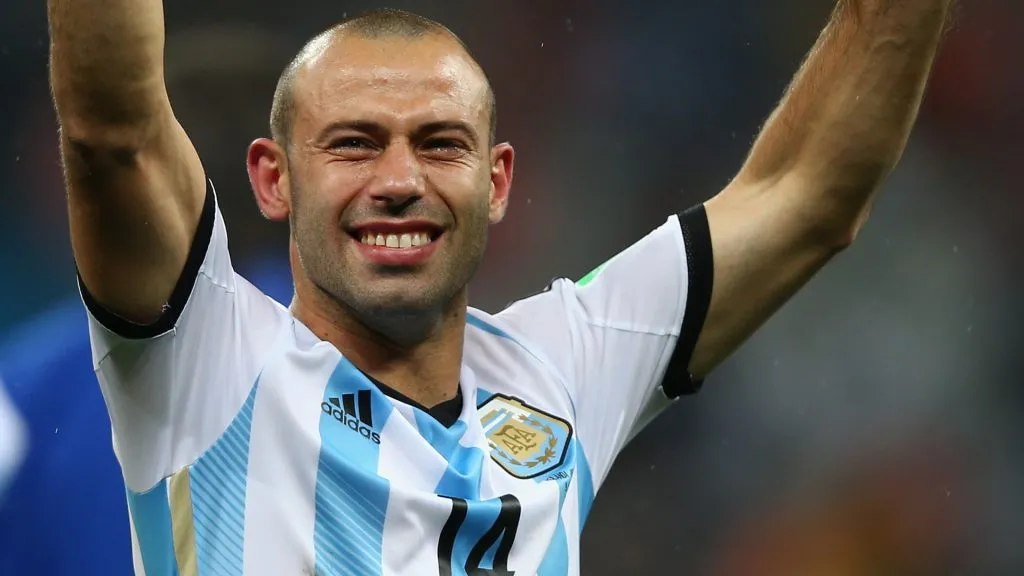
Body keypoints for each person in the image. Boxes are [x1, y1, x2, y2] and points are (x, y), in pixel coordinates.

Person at [45, 0, 953, 573]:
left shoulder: (561, 367)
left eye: (440, 143)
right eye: (354, 143)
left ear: (499, 181)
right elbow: (110, 129)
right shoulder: (207, 361)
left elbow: (809, 194)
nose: (399, 178)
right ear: (273, 179)